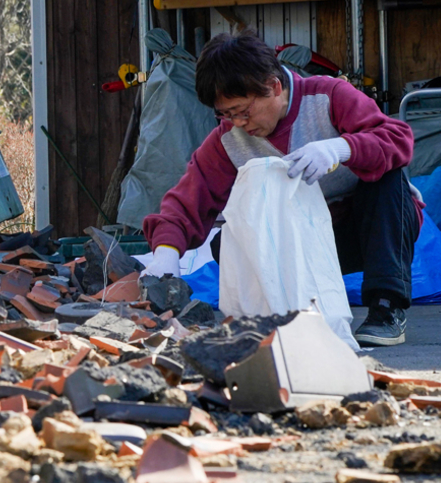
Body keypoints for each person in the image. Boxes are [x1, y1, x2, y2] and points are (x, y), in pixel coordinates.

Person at [140, 31, 421, 346]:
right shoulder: (228, 140)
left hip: (367, 232)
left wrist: (341, 148)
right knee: (226, 242)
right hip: (298, 246)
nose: (239, 123)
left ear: (273, 87)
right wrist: (166, 253)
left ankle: (386, 309)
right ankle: (278, 318)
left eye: (244, 111)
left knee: (387, 178)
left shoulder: (330, 96)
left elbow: (398, 139)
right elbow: (188, 199)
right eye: (227, 115)